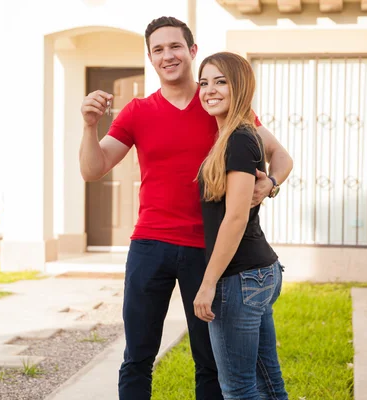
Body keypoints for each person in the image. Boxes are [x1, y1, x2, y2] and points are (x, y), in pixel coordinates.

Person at [79, 17, 293, 400]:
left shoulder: (218, 104)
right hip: (150, 246)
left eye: (175, 46)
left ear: (192, 51)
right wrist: (89, 126)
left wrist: (270, 184)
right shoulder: (137, 112)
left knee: (209, 360)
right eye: (158, 49)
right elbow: (93, 170)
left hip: (207, 251)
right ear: (150, 57)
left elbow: (281, 157)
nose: (167, 55)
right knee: (138, 356)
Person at [193, 51, 288, 400]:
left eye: (221, 82)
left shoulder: (238, 138)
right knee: (267, 382)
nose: (209, 90)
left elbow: (235, 218)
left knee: (238, 389)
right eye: (204, 82)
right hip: (258, 272)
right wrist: (273, 181)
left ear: (240, 86)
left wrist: (208, 283)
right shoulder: (238, 136)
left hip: (239, 278)